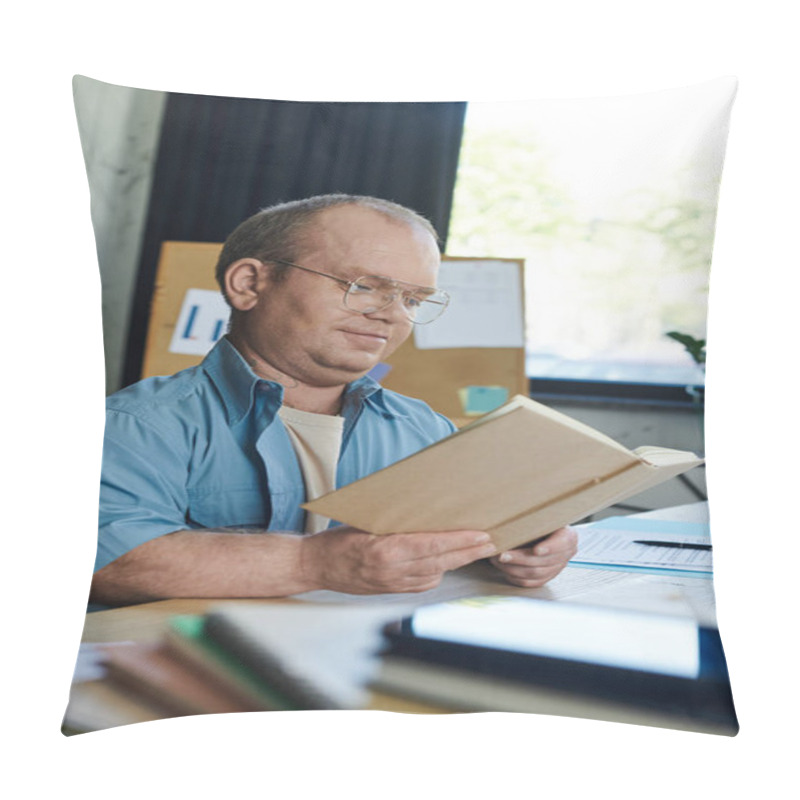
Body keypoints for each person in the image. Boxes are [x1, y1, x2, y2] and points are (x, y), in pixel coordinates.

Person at [91, 194, 578, 607]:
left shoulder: (424, 429)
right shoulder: (135, 426)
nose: (391, 315)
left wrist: (535, 543)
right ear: (249, 284)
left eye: (411, 299)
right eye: (363, 286)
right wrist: (318, 562)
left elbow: (490, 529)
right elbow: (106, 562)